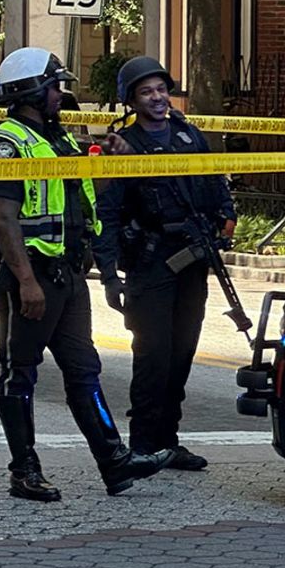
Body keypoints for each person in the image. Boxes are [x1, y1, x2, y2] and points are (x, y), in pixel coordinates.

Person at [0, 47, 169, 501]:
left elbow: (83, 195)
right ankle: (23, 470)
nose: (61, 94)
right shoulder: (7, 143)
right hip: (30, 275)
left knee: (84, 370)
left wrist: (111, 162)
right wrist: (25, 281)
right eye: (54, 86)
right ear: (30, 92)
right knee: (19, 373)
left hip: (67, 273)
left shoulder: (58, 139)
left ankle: (114, 462)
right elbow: (3, 218)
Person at [94, 56, 235, 471]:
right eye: (146, 92)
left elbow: (215, 184)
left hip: (194, 260)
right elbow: (107, 212)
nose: (156, 98)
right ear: (131, 100)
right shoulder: (125, 145)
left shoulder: (189, 135)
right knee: (153, 356)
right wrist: (108, 275)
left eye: (160, 89)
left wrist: (224, 218)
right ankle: (141, 444)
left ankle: (168, 441)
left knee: (181, 354)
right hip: (151, 264)